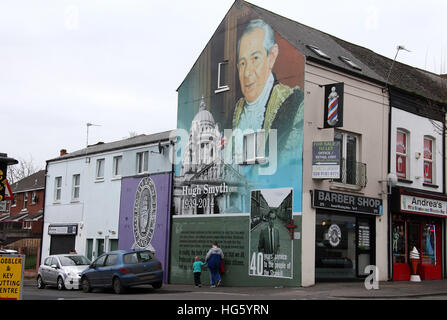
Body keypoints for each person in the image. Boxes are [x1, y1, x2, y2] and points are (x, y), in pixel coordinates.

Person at [232, 18, 304, 157]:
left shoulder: (295, 104)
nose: (247, 72)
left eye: (255, 58)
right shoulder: (235, 111)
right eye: (242, 63)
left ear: (271, 56)